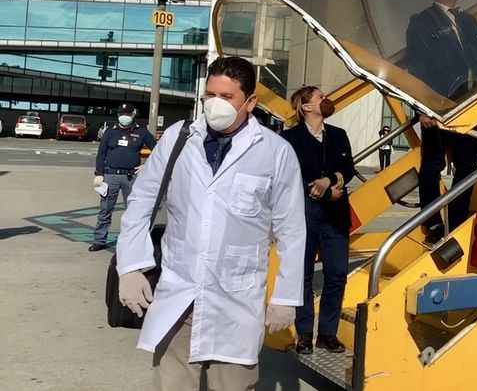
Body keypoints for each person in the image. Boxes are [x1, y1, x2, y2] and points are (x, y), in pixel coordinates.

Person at [115, 56, 306, 390]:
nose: (215, 104)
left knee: (232, 386)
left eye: (227, 97)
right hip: (179, 295)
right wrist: (130, 266)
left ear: (250, 102)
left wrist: (286, 297)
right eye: (210, 95)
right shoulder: (178, 138)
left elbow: (291, 230)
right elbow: (141, 201)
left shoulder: (275, 151)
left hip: (235, 301)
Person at [405, 0, 477, 244]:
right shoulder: (421, 21)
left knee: (468, 163)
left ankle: (457, 219)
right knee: (433, 163)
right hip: (437, 104)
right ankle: (432, 222)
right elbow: (416, 67)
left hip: (469, 101)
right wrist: (421, 107)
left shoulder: (468, 20)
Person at [280, 86, 356, 355]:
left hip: (335, 215)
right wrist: (323, 191)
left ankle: (327, 334)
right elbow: (290, 175)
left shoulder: (338, 135)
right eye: (320, 97)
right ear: (306, 107)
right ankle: (304, 334)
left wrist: (331, 181)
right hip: (305, 213)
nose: (326, 100)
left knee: (337, 273)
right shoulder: (289, 138)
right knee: (304, 275)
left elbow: (348, 168)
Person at [89, 102, 156, 252]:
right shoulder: (110, 132)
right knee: (105, 210)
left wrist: (147, 166)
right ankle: (99, 240)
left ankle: (132, 241)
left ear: (133, 115)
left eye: (128, 114)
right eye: (122, 114)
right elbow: (101, 154)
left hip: (131, 177)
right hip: (110, 175)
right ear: (118, 115)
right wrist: (99, 174)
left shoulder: (142, 131)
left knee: (133, 211)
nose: (125, 116)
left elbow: (158, 150)